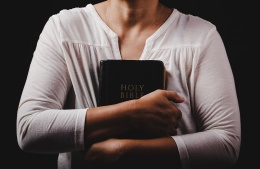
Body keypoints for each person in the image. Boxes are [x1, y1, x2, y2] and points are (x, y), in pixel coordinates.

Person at [16, 0, 241, 169]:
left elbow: (226, 143)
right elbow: (30, 129)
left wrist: (125, 151)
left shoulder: (201, 36)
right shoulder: (65, 28)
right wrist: (131, 114)